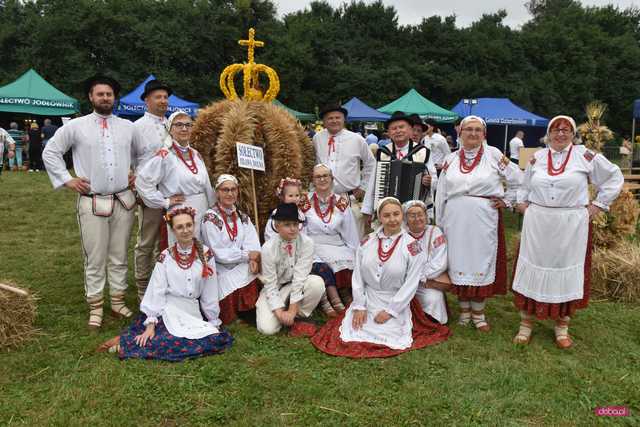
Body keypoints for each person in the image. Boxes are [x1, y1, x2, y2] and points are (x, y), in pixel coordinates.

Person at [512, 115, 623, 348]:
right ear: (549, 134)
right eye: (556, 130)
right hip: (539, 222)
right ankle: (526, 323)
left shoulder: (586, 156)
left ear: (573, 134)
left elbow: (614, 177)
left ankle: (562, 326)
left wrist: (598, 205)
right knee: (534, 264)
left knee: (565, 268)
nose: (560, 134)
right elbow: (524, 185)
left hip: (570, 224)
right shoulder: (538, 157)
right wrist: (521, 203)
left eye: (566, 130)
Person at [42, 74, 145, 330]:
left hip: (123, 200)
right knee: (95, 256)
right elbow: (51, 151)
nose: (105, 98)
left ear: (115, 97)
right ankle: (96, 306)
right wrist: (67, 179)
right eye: (100, 94)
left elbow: (144, 155)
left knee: (119, 255)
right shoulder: (76, 127)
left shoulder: (128, 127)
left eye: (109, 94)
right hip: (92, 200)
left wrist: (137, 174)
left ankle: (118, 300)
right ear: (91, 97)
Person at [311, 197, 450, 358]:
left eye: (396, 214)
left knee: (389, 335)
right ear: (380, 218)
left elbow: (410, 285)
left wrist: (391, 311)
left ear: (402, 216)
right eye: (387, 215)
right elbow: (358, 277)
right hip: (369, 298)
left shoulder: (413, 246)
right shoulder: (366, 242)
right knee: (354, 332)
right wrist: (359, 306)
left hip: (395, 299)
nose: (392, 220)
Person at [97, 207, 233, 361]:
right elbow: (157, 289)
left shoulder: (206, 254)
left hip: (191, 311)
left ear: (194, 226)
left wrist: (213, 321)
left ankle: (126, 344)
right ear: (173, 230)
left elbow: (210, 290)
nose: (185, 230)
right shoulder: (166, 256)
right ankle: (126, 343)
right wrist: (150, 325)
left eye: (189, 225)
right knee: (162, 338)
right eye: (179, 227)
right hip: (167, 309)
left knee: (214, 339)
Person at [435, 115, 522, 332]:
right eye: (468, 129)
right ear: (460, 133)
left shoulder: (494, 155)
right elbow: (442, 192)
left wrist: (507, 200)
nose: (473, 134)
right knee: (458, 259)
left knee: (480, 259)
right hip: (455, 217)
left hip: (484, 217)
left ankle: (479, 313)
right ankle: (464, 310)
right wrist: (440, 221)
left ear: (484, 134)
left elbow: (518, 178)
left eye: (477, 130)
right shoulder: (451, 159)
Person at [135, 110, 215, 259]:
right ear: (170, 129)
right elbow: (142, 181)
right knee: (184, 250)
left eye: (188, 125)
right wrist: (164, 201)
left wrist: (213, 208)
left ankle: (203, 279)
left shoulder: (196, 154)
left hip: (202, 208)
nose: (184, 128)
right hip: (181, 209)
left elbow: (206, 185)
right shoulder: (165, 155)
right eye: (179, 125)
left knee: (203, 247)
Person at [299, 164, 360, 317]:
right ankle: (329, 300)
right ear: (313, 180)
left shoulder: (342, 202)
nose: (322, 179)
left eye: (325, 175)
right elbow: (301, 230)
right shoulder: (304, 202)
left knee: (349, 259)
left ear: (332, 179)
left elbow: (350, 231)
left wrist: (355, 252)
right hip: (314, 243)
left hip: (336, 243)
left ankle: (345, 293)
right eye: (318, 176)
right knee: (321, 262)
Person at [256, 203, 325, 335]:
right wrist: (279, 312)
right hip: (276, 288)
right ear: (277, 226)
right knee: (267, 329)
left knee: (316, 283)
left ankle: (299, 315)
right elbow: (270, 284)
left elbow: (300, 278)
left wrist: (292, 311)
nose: (293, 229)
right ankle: (284, 314)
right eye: (287, 225)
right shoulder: (268, 248)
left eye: (295, 224)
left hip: (296, 284)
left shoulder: (307, 243)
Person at [201, 174, 261, 325]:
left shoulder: (241, 216)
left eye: (233, 189)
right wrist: (248, 256)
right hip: (220, 267)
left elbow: (252, 242)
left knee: (258, 268)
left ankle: (248, 309)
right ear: (217, 193)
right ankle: (236, 312)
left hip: (240, 261)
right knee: (227, 279)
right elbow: (218, 253)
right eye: (225, 190)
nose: (230, 193)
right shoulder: (211, 218)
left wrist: (254, 258)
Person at [133, 79, 172, 301]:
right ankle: (142, 286)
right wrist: (136, 183)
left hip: (171, 191)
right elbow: (130, 160)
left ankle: (162, 283)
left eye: (165, 97)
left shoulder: (172, 125)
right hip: (148, 192)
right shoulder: (137, 127)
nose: (163, 101)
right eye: (158, 97)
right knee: (147, 240)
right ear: (147, 101)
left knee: (166, 240)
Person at [313, 104, 376, 238]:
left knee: (354, 238)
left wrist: (363, 187)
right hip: (324, 199)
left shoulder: (357, 139)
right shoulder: (317, 138)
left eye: (338, 117)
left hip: (348, 198)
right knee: (327, 237)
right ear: (324, 121)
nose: (334, 121)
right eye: (330, 118)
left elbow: (371, 163)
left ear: (344, 120)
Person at [362, 111, 437, 220]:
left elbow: (435, 178)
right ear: (388, 132)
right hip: (389, 210)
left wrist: (430, 181)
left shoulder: (423, 151)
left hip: (415, 209)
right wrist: (367, 209)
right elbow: (373, 182)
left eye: (401, 127)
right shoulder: (383, 152)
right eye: (393, 128)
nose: (398, 131)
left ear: (410, 129)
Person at [403, 200, 450, 324]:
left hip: (425, 281)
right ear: (406, 219)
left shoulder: (435, 232)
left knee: (433, 298)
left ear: (426, 215)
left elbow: (440, 263)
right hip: (403, 281)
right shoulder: (402, 235)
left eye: (420, 214)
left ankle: (428, 319)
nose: (417, 218)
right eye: (412, 215)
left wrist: (420, 277)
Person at [264, 177, 306, 242]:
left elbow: (304, 233)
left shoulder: (301, 214)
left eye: (297, 195)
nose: (294, 199)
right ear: (283, 197)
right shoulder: (277, 213)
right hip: (278, 246)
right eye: (290, 196)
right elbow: (269, 234)